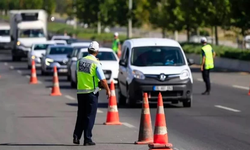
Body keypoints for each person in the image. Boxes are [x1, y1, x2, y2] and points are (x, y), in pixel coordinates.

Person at [73, 41, 111, 146]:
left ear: (88, 50)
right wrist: (108, 90)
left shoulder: (79, 61)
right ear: (97, 51)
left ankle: (76, 136)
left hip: (80, 92)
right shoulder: (95, 63)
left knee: (81, 115)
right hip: (91, 93)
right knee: (89, 116)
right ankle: (87, 139)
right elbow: (103, 80)